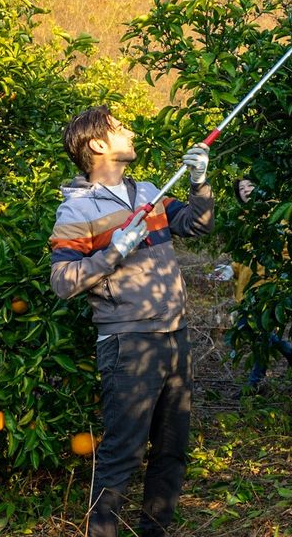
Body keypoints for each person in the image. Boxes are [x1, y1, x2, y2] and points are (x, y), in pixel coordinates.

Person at [49, 106, 214, 537]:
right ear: (97, 145)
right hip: (129, 342)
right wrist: (113, 253)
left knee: (172, 449)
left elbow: (197, 225)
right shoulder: (76, 212)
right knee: (122, 453)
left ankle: (154, 531)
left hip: (174, 335)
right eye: (120, 128)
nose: (131, 131)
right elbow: (64, 281)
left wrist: (199, 184)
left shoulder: (151, 192)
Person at [232, 177, 292, 394]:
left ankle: (255, 383)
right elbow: (240, 256)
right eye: (241, 189)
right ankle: (289, 351)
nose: (246, 190)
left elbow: (287, 249)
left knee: (259, 334)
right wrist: (231, 270)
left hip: (267, 286)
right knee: (246, 328)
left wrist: (279, 276)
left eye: (250, 186)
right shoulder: (242, 220)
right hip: (246, 287)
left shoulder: (274, 215)